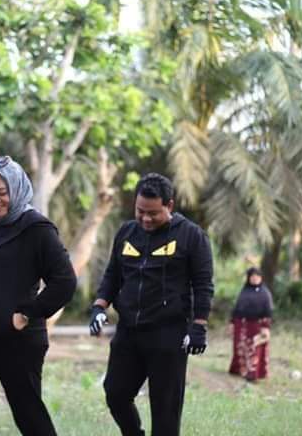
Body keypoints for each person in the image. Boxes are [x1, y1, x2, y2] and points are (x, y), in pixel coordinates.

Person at [0, 156, 77, 436]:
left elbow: (65, 281)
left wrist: (27, 313)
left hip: (18, 342)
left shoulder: (37, 229)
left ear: (17, 189)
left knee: (31, 421)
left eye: (1, 192)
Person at [89, 173, 214, 436]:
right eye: (140, 211)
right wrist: (99, 306)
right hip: (129, 333)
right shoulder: (126, 232)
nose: (146, 219)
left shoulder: (191, 236)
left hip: (168, 335)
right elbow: (112, 275)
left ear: (169, 205)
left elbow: (203, 285)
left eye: (153, 213)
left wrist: (199, 326)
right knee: (115, 393)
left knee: (165, 411)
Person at [228, 267, 273, 382]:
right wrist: (232, 323)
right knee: (240, 348)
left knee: (254, 348)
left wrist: (265, 327)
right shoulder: (244, 291)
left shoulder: (265, 293)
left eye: (257, 276)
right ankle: (239, 370)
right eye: (252, 276)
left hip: (256, 325)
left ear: (261, 278)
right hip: (241, 325)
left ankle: (253, 373)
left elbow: (268, 311)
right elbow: (237, 308)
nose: (255, 278)